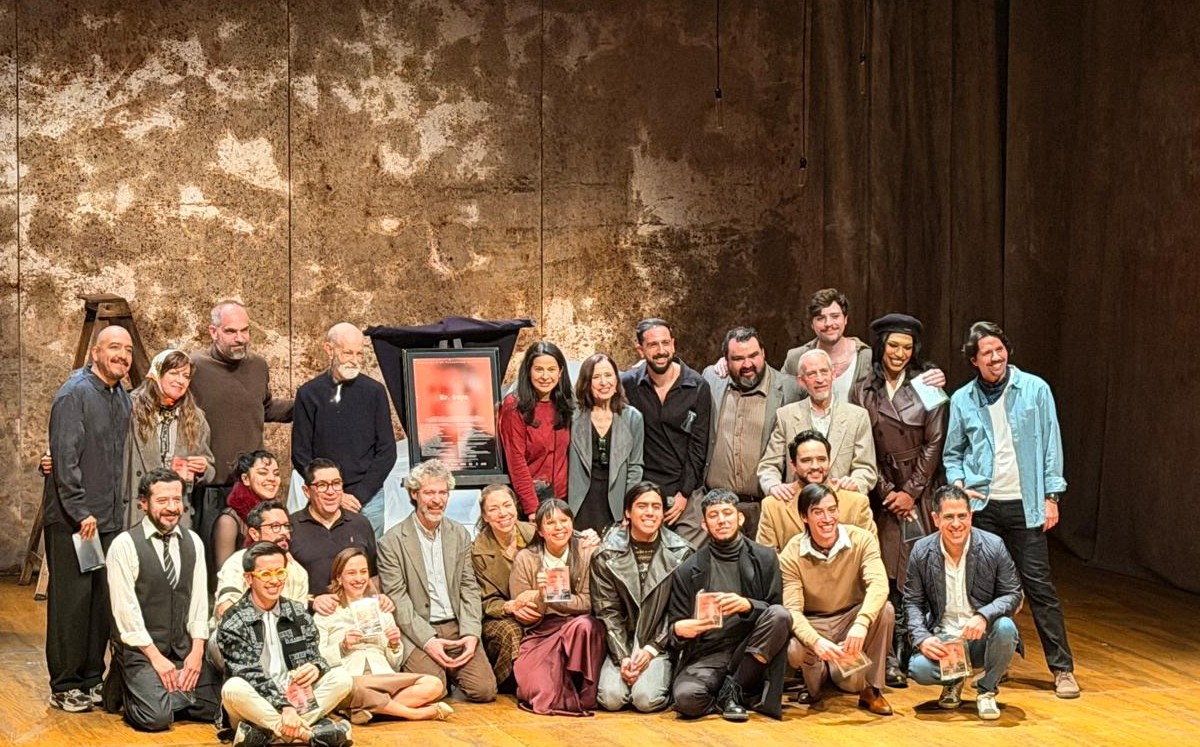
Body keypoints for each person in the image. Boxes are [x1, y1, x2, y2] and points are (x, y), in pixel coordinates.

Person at [943, 321, 1079, 698]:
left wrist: (1052, 496)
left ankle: (1062, 668)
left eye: (999, 349)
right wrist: (958, 486)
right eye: (986, 353)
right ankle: (996, 663)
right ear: (974, 360)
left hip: (1025, 505)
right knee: (983, 591)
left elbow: (1052, 444)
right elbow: (952, 453)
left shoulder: (1035, 389)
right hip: (983, 506)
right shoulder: (962, 399)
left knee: (1038, 587)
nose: (995, 357)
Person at [850, 313, 948, 686]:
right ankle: (886, 655)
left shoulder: (928, 384)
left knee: (915, 573)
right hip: (880, 492)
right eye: (893, 346)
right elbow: (859, 444)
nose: (900, 354)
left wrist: (910, 491)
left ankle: (915, 650)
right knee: (883, 575)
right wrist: (886, 490)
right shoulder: (863, 388)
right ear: (881, 347)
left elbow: (935, 441)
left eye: (907, 347)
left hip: (918, 492)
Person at [44, 324, 133, 712]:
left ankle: (92, 677)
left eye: (127, 350)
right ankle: (65, 684)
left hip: (108, 520)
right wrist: (81, 512)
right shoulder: (74, 395)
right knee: (72, 604)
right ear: (95, 352)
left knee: (100, 602)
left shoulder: (121, 397)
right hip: (75, 521)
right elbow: (64, 461)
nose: (123, 355)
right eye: (114, 347)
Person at [105, 469, 220, 730]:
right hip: (143, 652)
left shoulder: (193, 542)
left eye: (176, 500)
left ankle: (162, 693)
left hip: (182, 651)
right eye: (162, 501)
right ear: (143, 504)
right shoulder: (124, 545)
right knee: (155, 718)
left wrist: (196, 653)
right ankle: (132, 687)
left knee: (218, 706)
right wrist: (156, 659)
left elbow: (200, 603)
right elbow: (126, 613)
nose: (171, 508)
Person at [377, 459, 497, 702]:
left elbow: (469, 587)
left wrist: (472, 633)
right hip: (418, 628)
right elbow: (398, 600)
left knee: (484, 690)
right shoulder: (391, 541)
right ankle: (440, 673)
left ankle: (453, 670)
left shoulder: (459, 533)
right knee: (434, 691)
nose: (437, 499)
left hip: (456, 626)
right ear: (414, 494)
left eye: (442, 492)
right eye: (429, 492)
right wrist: (428, 641)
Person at [665, 490, 790, 722]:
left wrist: (747, 605)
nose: (721, 520)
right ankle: (729, 698)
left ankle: (733, 690)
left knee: (781, 615)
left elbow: (777, 612)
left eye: (727, 513)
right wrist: (680, 629)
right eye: (714, 515)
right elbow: (676, 626)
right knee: (686, 698)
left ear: (740, 518)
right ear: (704, 524)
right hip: (710, 653)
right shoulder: (688, 568)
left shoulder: (764, 558)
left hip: (751, 649)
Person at [216, 542, 353, 747]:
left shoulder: (298, 612)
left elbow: (314, 655)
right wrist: (284, 707)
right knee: (233, 688)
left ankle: (267, 735)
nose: (274, 581)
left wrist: (316, 667)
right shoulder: (233, 620)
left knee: (342, 678)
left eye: (280, 573)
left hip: (297, 699)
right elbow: (249, 674)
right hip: (255, 703)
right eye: (266, 574)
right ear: (249, 578)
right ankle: (310, 735)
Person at [904, 486, 1023, 720]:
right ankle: (954, 680)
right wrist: (922, 638)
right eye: (949, 517)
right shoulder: (921, 550)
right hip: (945, 640)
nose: (956, 524)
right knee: (917, 668)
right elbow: (912, 602)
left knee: (1006, 628)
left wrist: (983, 616)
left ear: (971, 516)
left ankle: (987, 690)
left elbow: (1013, 593)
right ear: (936, 519)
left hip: (980, 639)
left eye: (962, 516)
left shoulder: (993, 545)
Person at [189, 300, 293, 560]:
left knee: (258, 562)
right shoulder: (194, 367)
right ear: (213, 332)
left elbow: (265, 408)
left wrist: (308, 403)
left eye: (245, 331)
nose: (240, 339)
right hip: (212, 488)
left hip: (251, 487)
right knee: (216, 568)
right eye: (231, 331)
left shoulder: (258, 365)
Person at [780, 483, 894, 716]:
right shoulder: (791, 552)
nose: (827, 518)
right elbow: (792, 610)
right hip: (815, 621)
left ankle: (872, 690)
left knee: (886, 610)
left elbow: (879, 584)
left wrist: (861, 622)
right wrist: (815, 641)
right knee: (795, 650)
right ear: (804, 516)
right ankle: (814, 681)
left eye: (832, 510)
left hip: (850, 619)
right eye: (818, 512)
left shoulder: (862, 539)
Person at [315, 547, 451, 723]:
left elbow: (394, 663)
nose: (358, 578)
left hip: (382, 676)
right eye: (351, 573)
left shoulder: (381, 608)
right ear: (339, 578)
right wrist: (342, 646)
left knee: (434, 684)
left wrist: (394, 643)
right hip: (350, 677)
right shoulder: (327, 612)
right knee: (350, 687)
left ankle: (362, 711)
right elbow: (316, 659)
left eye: (363, 572)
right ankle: (414, 713)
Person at [590, 482, 693, 712]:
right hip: (622, 640)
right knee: (611, 699)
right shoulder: (605, 555)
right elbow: (607, 612)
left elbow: (680, 611)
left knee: (646, 700)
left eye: (656, 507)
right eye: (642, 506)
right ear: (628, 512)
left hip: (659, 641)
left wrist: (651, 649)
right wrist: (623, 657)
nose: (650, 512)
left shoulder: (682, 553)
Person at [292, 323, 397, 539]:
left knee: (367, 563)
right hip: (324, 494)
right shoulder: (309, 393)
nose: (354, 360)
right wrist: (334, 494)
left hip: (369, 497)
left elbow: (387, 451)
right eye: (347, 352)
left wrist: (359, 496)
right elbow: (301, 454)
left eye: (359, 353)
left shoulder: (375, 392)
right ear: (329, 350)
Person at [701, 327, 803, 540]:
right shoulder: (712, 379)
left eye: (753, 355)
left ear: (764, 353)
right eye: (738, 358)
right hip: (717, 507)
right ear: (726, 360)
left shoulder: (790, 388)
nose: (747, 364)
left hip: (764, 506)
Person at [509, 499, 606, 716]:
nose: (559, 527)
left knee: (584, 626)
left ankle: (584, 688)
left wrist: (557, 599)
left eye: (564, 520)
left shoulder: (586, 552)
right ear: (540, 530)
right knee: (537, 691)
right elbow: (523, 614)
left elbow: (590, 602)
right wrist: (542, 598)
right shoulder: (526, 558)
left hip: (580, 629)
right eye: (551, 522)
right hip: (542, 631)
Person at [620, 319, 711, 543]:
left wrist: (684, 495)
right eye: (652, 345)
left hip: (685, 489)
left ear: (673, 344)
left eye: (665, 343)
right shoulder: (628, 384)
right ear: (640, 349)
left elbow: (699, 444)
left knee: (685, 561)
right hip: (644, 489)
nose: (661, 351)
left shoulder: (697, 385)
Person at [757, 348, 877, 496]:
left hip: (840, 504)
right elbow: (768, 465)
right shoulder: (786, 416)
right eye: (812, 374)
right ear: (801, 381)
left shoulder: (857, 416)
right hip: (797, 505)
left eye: (824, 372)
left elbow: (867, 468)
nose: (820, 379)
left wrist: (856, 482)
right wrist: (773, 485)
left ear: (833, 375)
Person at [123, 349, 215, 529]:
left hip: (176, 510)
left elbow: (209, 465)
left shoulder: (195, 417)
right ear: (157, 374)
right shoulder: (131, 409)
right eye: (173, 373)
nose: (181, 381)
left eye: (186, 376)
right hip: (139, 507)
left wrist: (203, 468)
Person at [755, 430, 876, 552]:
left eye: (821, 459)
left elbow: (871, 554)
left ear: (829, 461)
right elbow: (766, 561)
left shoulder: (856, 502)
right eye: (806, 460)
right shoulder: (773, 506)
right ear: (793, 466)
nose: (815, 466)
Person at [568, 353, 645, 534]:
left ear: (617, 380)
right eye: (596, 377)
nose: (604, 382)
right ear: (586, 382)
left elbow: (635, 467)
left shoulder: (633, 417)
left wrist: (629, 505)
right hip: (580, 501)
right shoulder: (572, 416)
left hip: (615, 504)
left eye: (608, 375)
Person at [471, 484, 538, 689]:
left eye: (507, 505)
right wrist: (510, 607)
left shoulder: (535, 533)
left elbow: (566, 536)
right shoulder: (477, 552)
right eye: (493, 509)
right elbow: (483, 601)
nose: (502, 513)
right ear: (485, 516)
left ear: (515, 507)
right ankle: (511, 684)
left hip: (539, 607)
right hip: (499, 615)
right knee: (510, 631)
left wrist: (588, 537)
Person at [498, 341, 573, 517]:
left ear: (560, 372)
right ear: (528, 371)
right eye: (539, 369)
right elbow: (517, 462)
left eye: (551, 369)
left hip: (562, 501)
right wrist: (532, 509)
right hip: (532, 502)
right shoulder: (513, 407)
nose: (545, 376)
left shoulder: (566, 402)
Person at [289, 458, 379, 599]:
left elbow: (373, 576)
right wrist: (312, 601)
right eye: (322, 485)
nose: (331, 492)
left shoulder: (360, 523)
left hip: (354, 615)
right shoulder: (291, 527)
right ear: (306, 491)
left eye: (336, 484)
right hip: (309, 616)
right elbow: (284, 587)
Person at [780, 288, 873, 401]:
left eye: (835, 316)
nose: (828, 323)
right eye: (820, 318)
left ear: (845, 319)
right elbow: (781, 397)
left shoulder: (865, 356)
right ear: (812, 324)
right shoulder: (796, 358)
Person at [211, 450, 283, 574]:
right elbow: (224, 575)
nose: (272, 478)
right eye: (263, 473)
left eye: (276, 474)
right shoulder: (229, 521)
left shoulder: (279, 514)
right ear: (245, 479)